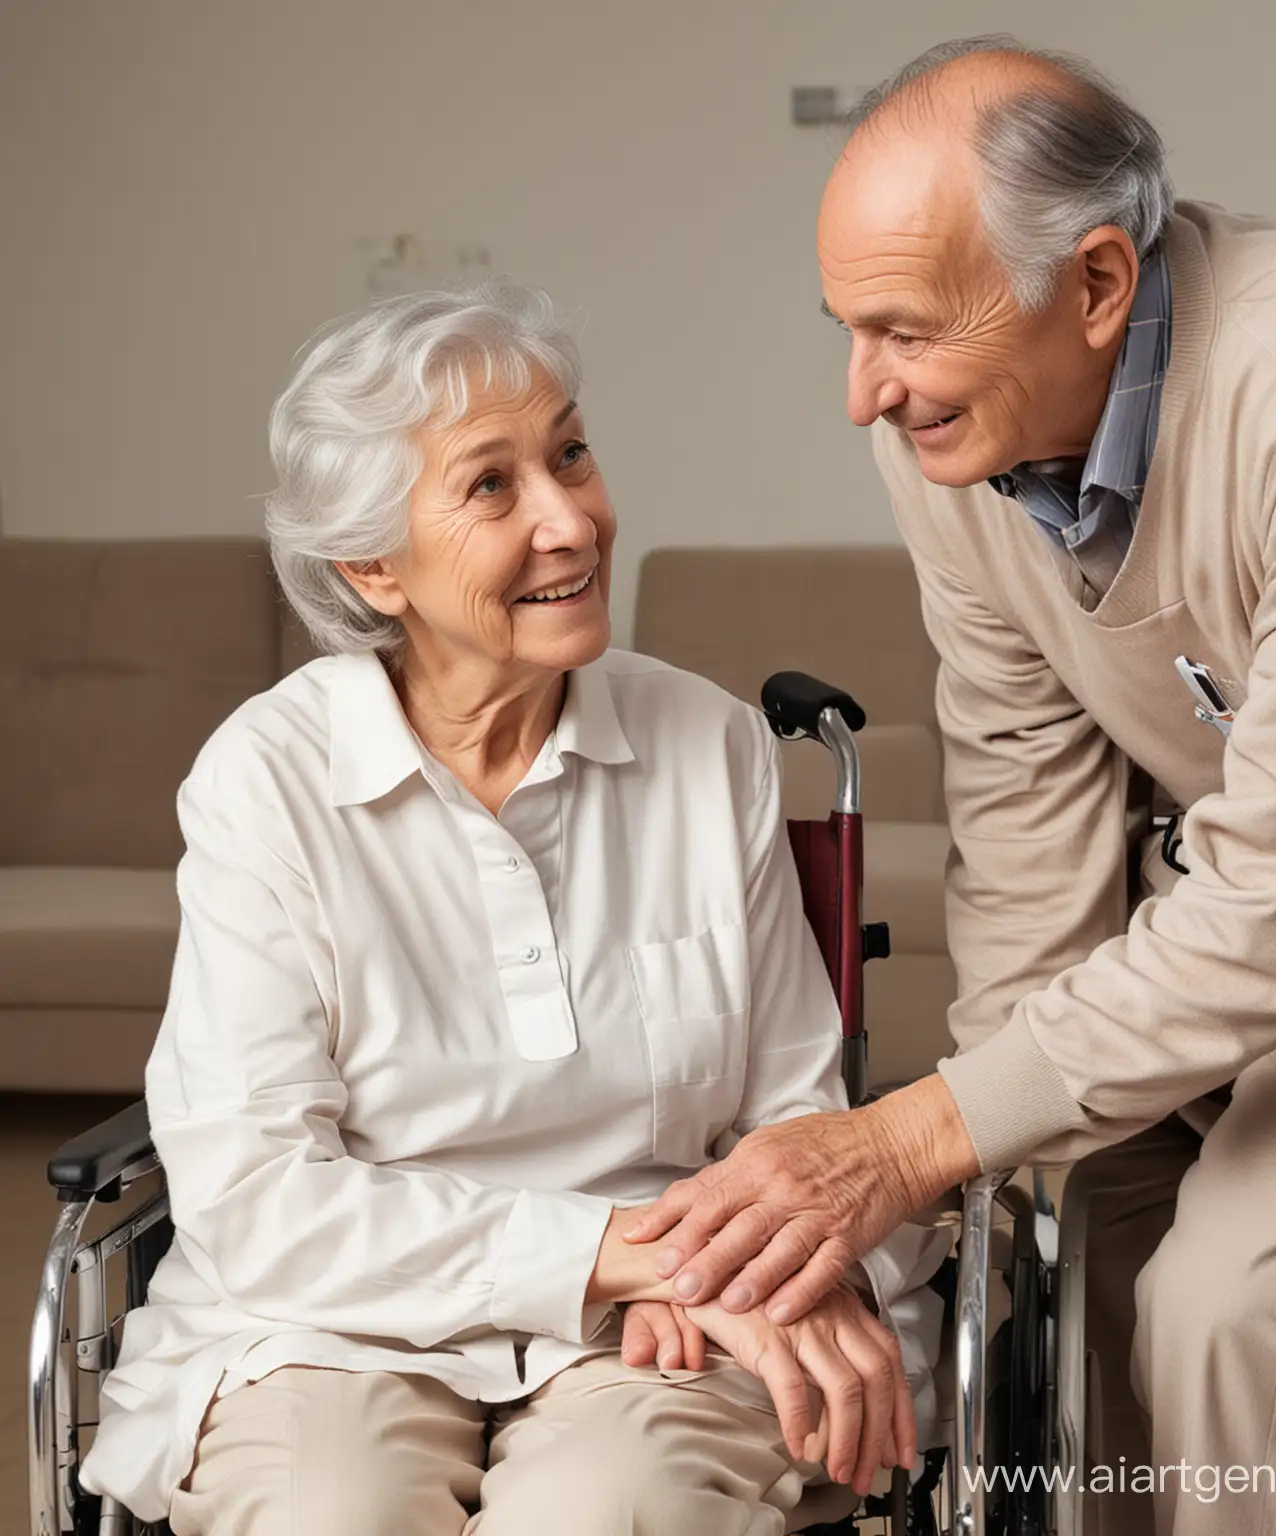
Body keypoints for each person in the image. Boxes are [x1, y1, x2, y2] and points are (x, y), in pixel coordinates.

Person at [626, 36, 1276, 1536]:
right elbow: (1025, 801)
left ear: (1100, 284)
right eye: (848, 331)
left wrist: (909, 1136)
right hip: (1272, 890)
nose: (864, 391)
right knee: (1080, 1211)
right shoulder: (953, 437)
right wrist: (987, 1150)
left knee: (1234, 1298)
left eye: (905, 330)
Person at [78, 279, 945, 1536]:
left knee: (612, 1511)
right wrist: (617, 1256)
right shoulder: (265, 780)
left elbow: (790, 1113)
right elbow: (262, 1193)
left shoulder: (707, 745)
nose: (572, 520)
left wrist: (699, 1275)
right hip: (335, 1318)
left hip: (680, 1313)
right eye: (493, 486)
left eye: (573, 455)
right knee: (334, 1512)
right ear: (373, 564)